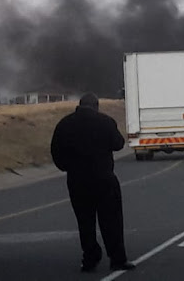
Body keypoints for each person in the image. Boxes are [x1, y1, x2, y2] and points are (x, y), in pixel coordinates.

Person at [51, 94, 135, 273]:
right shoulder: (105, 122)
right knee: (111, 220)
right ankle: (117, 258)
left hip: (77, 181)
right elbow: (119, 144)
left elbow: (56, 153)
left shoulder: (64, 125)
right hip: (103, 179)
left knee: (85, 222)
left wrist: (68, 167)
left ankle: (90, 257)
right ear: (96, 106)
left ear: (79, 106)